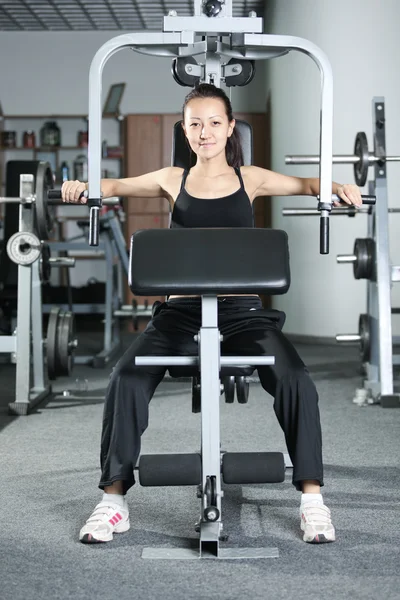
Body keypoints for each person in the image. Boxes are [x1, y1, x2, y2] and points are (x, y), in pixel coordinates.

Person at [62, 83, 362, 545]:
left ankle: (312, 501)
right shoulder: (170, 178)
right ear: (185, 130)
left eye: (214, 123)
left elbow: (306, 183)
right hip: (179, 316)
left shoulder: (251, 178)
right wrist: (82, 187)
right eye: (195, 124)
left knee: (296, 378)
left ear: (229, 128)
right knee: (126, 378)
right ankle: (113, 501)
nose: (204, 132)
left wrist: (339, 186)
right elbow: (116, 186)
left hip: (242, 314)